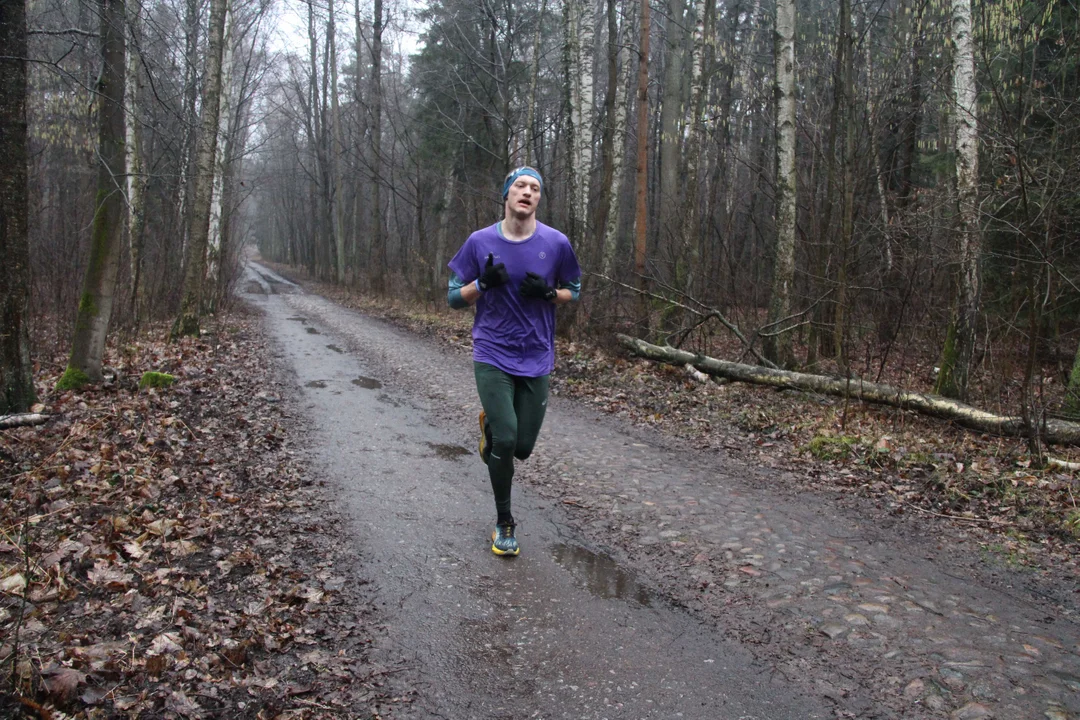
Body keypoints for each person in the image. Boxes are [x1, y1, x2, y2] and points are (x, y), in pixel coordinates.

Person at [447, 167, 581, 556]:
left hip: (537, 354)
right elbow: (454, 298)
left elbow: (575, 290)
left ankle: (492, 429)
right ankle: (504, 522)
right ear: (506, 194)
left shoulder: (556, 243)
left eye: (535, 188)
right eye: (520, 186)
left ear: (539, 199)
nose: (527, 192)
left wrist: (549, 294)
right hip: (492, 351)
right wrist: (482, 284)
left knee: (521, 447)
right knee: (507, 440)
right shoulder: (479, 241)